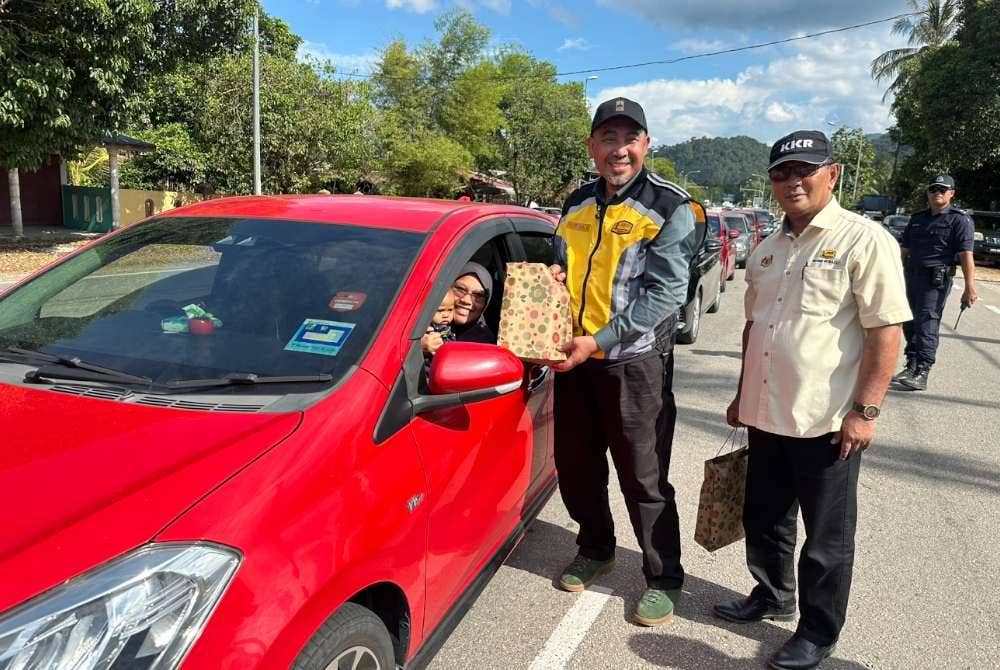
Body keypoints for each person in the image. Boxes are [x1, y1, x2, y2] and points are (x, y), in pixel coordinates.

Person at [718, 130, 912, 670]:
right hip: (765, 412)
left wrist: (866, 411)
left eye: (804, 170)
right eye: (780, 173)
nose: (791, 181)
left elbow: (885, 332)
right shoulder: (767, 247)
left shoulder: (863, 240)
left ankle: (817, 631)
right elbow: (754, 327)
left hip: (827, 422)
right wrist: (740, 395)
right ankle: (772, 594)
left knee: (826, 540)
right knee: (765, 517)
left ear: (834, 174)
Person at [548, 97, 699, 627]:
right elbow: (559, 271)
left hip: (633, 364)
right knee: (576, 465)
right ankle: (595, 547)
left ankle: (663, 577)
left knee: (643, 476)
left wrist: (600, 339)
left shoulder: (670, 206)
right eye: (608, 138)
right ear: (593, 147)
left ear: (646, 144)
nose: (620, 150)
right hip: (573, 361)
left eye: (630, 139)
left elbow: (666, 294)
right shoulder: (576, 203)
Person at [894, 175, 978, 391]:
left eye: (943, 189)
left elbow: (966, 255)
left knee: (927, 322)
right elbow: (905, 250)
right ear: (928, 192)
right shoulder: (918, 218)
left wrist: (970, 287)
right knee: (909, 320)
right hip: (910, 274)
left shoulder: (960, 220)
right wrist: (893, 273)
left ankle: (922, 371)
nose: (937, 193)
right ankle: (911, 364)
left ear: (952, 193)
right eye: (933, 189)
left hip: (935, 279)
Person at [422, 262, 495, 355]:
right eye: (460, 289)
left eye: (478, 295)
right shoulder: (421, 323)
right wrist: (417, 346)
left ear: (486, 303)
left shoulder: (485, 344)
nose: (466, 300)